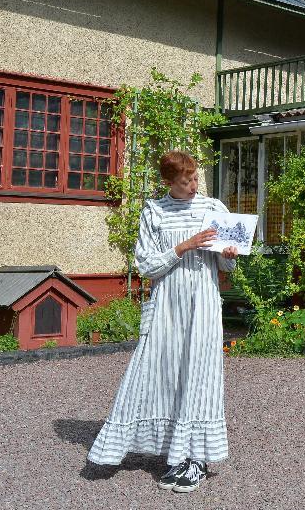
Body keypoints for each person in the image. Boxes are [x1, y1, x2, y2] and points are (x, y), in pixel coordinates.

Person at [87, 150, 238, 494]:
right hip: (167, 304)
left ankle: (196, 458)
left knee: (200, 374)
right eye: (186, 182)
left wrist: (229, 255)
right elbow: (147, 267)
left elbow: (228, 265)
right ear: (168, 182)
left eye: (196, 178)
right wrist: (183, 246)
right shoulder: (154, 212)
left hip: (202, 305)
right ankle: (173, 452)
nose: (193, 186)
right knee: (160, 372)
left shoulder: (213, 209)